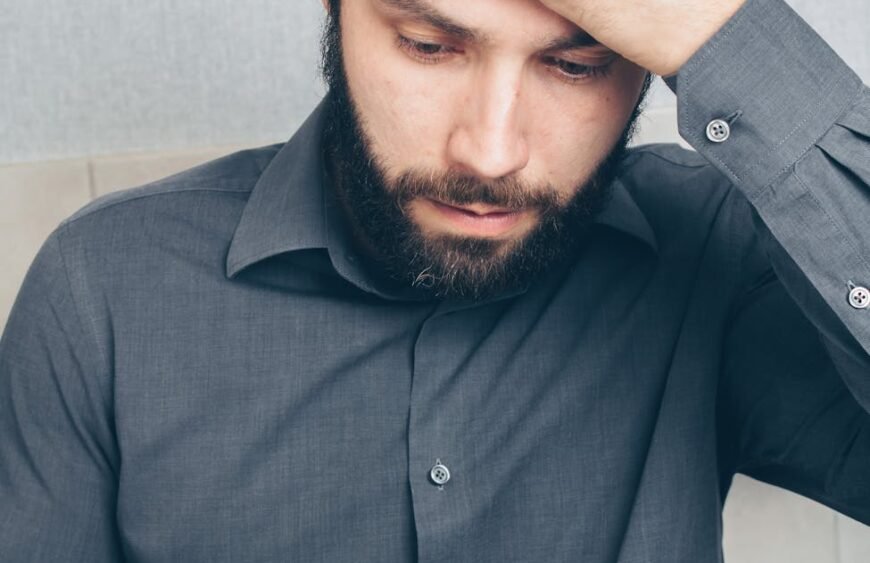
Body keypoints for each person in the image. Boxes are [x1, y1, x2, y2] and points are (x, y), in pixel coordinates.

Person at [1, 0, 868, 560]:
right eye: (428, 45)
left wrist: (726, 36)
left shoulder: (716, 249)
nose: (490, 152)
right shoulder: (103, 291)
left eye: (575, 65)